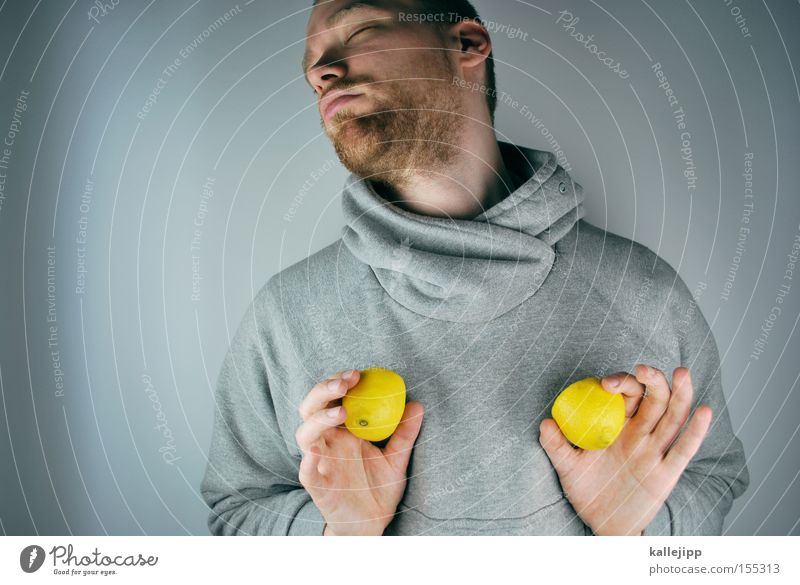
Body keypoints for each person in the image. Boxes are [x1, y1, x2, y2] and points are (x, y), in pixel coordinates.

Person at [200, 0, 749, 536]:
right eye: (311, 67)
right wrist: (338, 535)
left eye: (360, 30)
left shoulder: (642, 289)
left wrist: (636, 530)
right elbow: (235, 509)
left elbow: (712, 479)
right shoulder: (287, 311)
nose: (321, 73)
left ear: (466, 43)